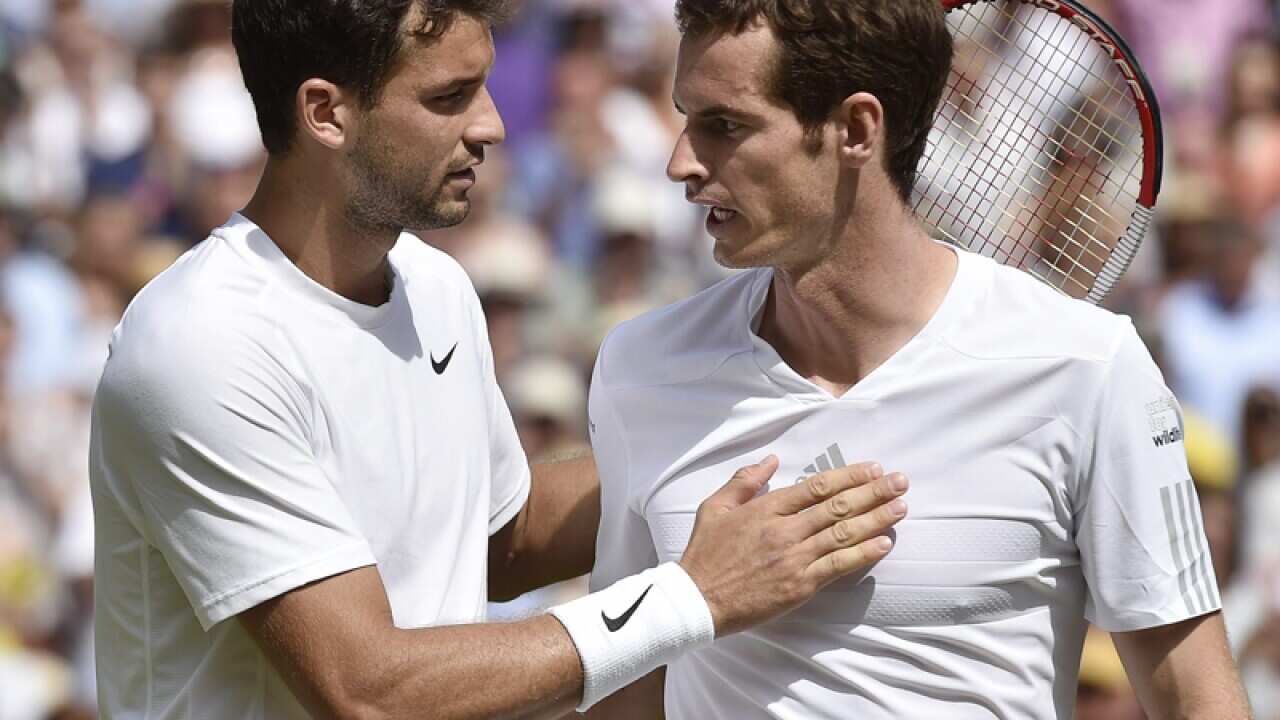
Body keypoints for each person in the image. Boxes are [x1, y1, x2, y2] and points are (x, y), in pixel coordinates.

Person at [87, 1, 913, 718]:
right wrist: (695, 596)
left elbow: (498, 540)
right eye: (448, 98)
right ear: (325, 112)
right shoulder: (202, 344)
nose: (491, 123)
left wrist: (732, 439)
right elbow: (370, 691)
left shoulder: (437, 288)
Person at [585, 1, 1252, 718]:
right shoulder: (638, 367)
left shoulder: (1091, 366)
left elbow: (1199, 702)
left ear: (857, 130)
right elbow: (626, 688)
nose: (680, 162)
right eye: (686, 117)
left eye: (725, 125)